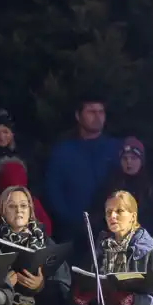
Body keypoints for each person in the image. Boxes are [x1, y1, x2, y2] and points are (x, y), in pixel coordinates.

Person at [44, 93, 122, 244]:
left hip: (112, 231)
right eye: (91, 112)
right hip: (73, 234)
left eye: (101, 112)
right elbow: (53, 191)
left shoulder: (116, 149)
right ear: (78, 116)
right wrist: (72, 222)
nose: (97, 116)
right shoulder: (62, 151)